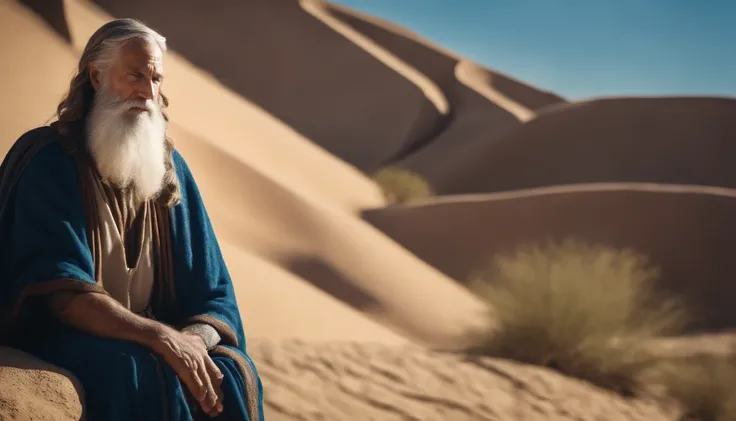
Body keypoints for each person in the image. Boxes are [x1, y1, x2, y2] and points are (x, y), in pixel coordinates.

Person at [0, 18, 264, 421]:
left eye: (156, 78)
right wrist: (159, 338)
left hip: (152, 336)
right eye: (136, 75)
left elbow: (215, 295)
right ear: (97, 75)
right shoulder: (50, 160)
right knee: (137, 370)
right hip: (67, 334)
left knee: (230, 370)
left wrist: (192, 341)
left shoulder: (170, 173)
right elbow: (63, 295)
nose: (148, 91)